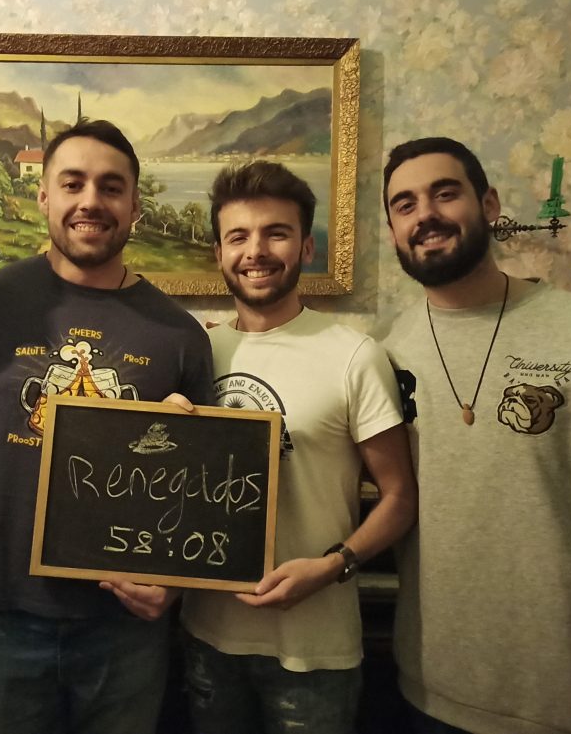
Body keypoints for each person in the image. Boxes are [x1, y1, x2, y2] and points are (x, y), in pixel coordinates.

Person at [0, 118, 215, 734]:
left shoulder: (180, 336)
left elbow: (199, 486)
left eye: (111, 187)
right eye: (73, 183)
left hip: (126, 627)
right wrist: (18, 440)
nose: (92, 200)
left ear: (135, 206)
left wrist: (172, 585)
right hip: (6, 614)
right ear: (44, 196)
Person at [381, 136, 571, 734]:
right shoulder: (387, 352)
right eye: (405, 204)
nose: (425, 215)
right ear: (394, 230)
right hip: (429, 693)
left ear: (489, 204)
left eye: (445, 193)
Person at [178, 160, 418, 734]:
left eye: (276, 233)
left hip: (316, 652)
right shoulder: (196, 353)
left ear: (306, 247)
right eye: (239, 236)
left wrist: (333, 566)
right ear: (218, 252)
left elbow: (400, 497)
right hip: (207, 639)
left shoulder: (354, 355)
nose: (256, 251)